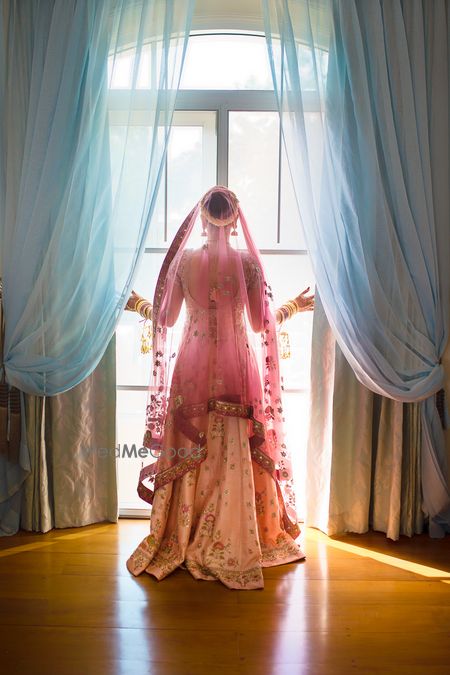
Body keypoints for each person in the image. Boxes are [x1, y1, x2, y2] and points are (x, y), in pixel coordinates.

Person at [125, 186, 314, 590]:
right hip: (236, 368)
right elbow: (262, 327)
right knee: (233, 446)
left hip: (192, 365)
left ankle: (185, 533)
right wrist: (293, 309)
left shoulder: (185, 262)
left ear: (203, 217)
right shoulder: (248, 264)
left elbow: (168, 319)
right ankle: (238, 531)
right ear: (234, 219)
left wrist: (141, 303)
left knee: (195, 448)